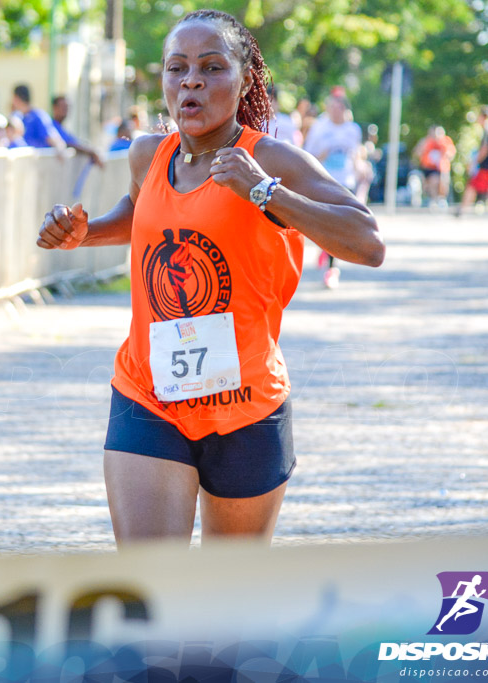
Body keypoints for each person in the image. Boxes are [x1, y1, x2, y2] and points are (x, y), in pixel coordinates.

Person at [37, 10, 383, 547]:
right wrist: (86, 232)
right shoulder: (149, 153)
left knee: (230, 610)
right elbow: (142, 211)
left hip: (246, 404)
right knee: (153, 594)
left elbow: (368, 242)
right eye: (177, 68)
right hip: (148, 395)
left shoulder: (270, 159)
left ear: (245, 79)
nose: (191, 80)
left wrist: (266, 192)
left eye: (211, 67)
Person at [303, 90, 363, 288]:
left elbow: (355, 155)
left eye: (339, 108)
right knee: (325, 226)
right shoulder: (320, 127)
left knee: (339, 226)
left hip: (346, 182)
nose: (335, 112)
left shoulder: (353, 129)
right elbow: (307, 155)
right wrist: (322, 154)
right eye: (331, 108)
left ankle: (331, 268)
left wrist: (360, 169)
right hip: (323, 182)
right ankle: (326, 252)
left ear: (345, 110)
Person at [52, 94, 104, 166]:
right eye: (63, 107)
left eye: (67, 107)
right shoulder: (51, 127)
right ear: (55, 108)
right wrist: (90, 152)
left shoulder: (63, 129)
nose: (65, 110)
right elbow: (67, 143)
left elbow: (74, 142)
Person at [11, 84, 66, 151]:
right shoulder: (19, 117)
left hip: (40, 160)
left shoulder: (38, 116)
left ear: (16, 98)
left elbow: (54, 139)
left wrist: (60, 151)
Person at [414, 125, 456, 209]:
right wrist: (423, 148)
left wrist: (443, 149)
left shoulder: (445, 142)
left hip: (441, 168)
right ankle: (433, 199)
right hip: (429, 168)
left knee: (442, 180)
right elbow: (417, 153)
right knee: (433, 181)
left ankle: (441, 199)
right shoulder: (425, 142)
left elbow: (451, 154)